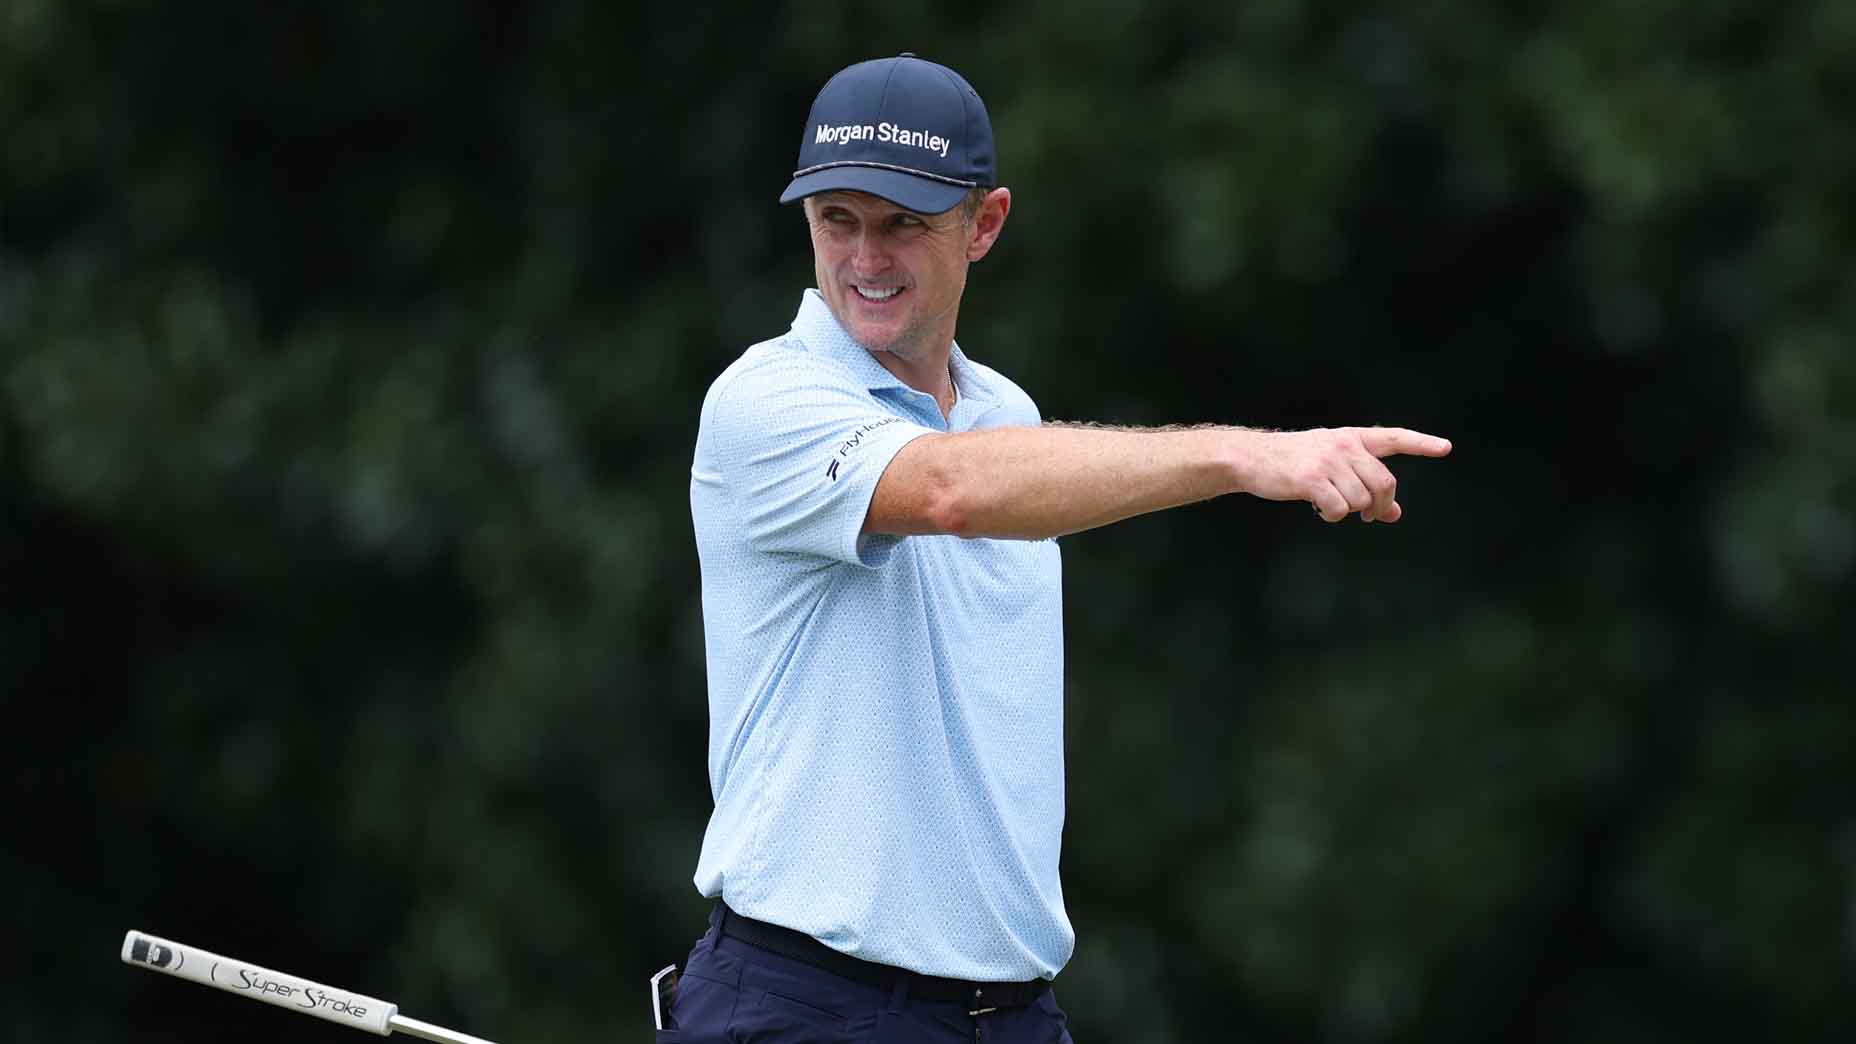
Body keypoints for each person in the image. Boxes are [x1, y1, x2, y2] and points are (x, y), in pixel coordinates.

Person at [667, 53, 1451, 1043]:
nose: (865, 259)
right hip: (808, 1005)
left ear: (982, 224)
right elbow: (947, 490)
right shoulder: (763, 402)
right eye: (838, 221)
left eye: (903, 223)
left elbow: (982, 469)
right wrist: (1242, 454)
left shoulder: (1007, 417)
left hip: (1010, 1013)